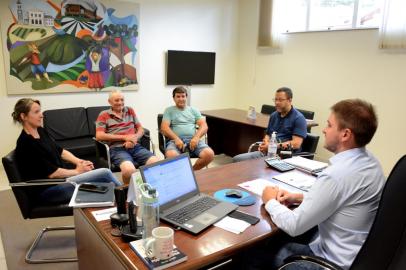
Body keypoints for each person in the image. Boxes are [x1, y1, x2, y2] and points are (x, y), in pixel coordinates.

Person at [256, 99, 385, 270]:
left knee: (257, 254)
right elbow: (342, 198)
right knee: (279, 240)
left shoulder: (337, 175)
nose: (324, 130)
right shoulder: (372, 163)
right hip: (358, 254)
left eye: (329, 125)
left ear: (345, 134)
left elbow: (294, 226)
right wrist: (299, 197)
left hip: (332, 262)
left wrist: (269, 200)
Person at [12, 98, 122, 204]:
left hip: (62, 181)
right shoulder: (26, 143)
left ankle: (121, 202)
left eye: (40, 111)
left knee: (106, 185)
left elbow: (61, 151)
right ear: (23, 116)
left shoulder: (40, 131)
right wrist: (78, 171)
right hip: (48, 190)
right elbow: (53, 173)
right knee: (105, 173)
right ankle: (126, 198)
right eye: (36, 112)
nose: (41, 115)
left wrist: (79, 162)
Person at [95, 90, 159, 183]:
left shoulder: (130, 110)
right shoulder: (104, 115)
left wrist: (134, 139)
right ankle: (128, 195)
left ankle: (149, 189)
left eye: (122, 100)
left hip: (135, 146)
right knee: (129, 171)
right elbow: (99, 135)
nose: (120, 102)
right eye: (116, 100)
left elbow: (140, 129)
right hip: (117, 149)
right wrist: (124, 138)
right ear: (110, 102)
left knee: (155, 163)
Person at [233, 87, 307, 162]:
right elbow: (268, 134)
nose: (277, 102)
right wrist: (266, 143)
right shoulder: (274, 115)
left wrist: (272, 146)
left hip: (284, 156)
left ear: (290, 100)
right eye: (275, 99)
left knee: (240, 162)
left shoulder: (299, 118)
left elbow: (296, 143)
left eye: (280, 100)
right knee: (237, 160)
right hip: (269, 153)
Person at [160, 86, 214, 170]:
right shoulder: (169, 110)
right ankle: (184, 173)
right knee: (171, 155)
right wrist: (176, 138)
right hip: (175, 140)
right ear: (173, 98)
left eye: (183, 96)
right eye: (178, 96)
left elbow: (204, 126)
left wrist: (196, 138)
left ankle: (192, 171)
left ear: (186, 97)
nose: (181, 99)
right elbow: (164, 128)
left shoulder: (194, 110)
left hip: (193, 140)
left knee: (209, 154)